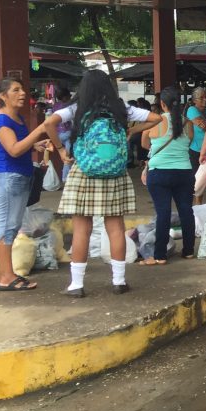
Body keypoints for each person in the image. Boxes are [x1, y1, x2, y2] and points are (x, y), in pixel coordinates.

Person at [48, 69, 160, 297]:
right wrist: (131, 130)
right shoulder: (121, 109)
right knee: (115, 228)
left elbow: (50, 123)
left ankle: (76, 285)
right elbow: (156, 118)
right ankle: (118, 281)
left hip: (84, 173)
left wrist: (60, 151)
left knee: (82, 230)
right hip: (114, 174)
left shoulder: (77, 109)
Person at [0, 78, 64, 291]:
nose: (23, 93)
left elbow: (21, 147)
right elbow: (14, 149)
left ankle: (4, 274)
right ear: (2, 96)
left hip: (19, 177)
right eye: (15, 90)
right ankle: (7, 276)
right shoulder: (2, 121)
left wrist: (35, 144)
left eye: (22, 89)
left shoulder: (16, 119)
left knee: (12, 226)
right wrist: (40, 131)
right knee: (6, 227)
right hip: (7, 178)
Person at [140, 86, 196, 265]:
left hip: (159, 174)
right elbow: (188, 144)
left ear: (162, 104)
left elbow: (144, 144)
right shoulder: (188, 123)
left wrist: (157, 152)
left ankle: (160, 255)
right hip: (184, 172)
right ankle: (188, 251)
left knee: (162, 213)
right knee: (186, 211)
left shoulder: (154, 122)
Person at [185, 86, 206, 173]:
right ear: (194, 100)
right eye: (201, 97)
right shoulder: (192, 110)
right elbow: (205, 128)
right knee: (196, 180)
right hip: (196, 151)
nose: (205, 99)